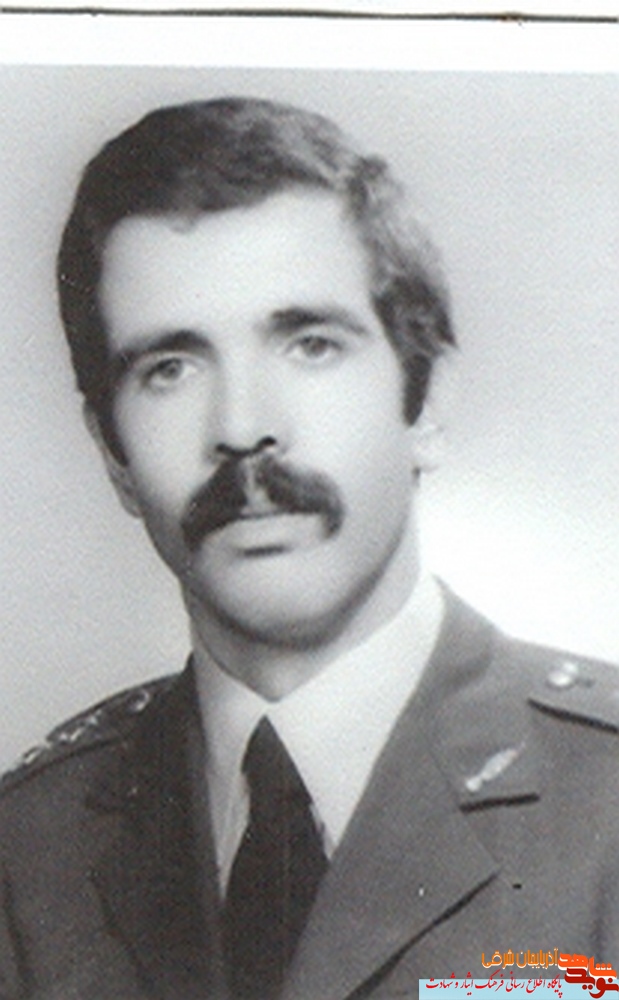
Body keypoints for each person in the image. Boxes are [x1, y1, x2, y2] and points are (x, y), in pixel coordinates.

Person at [1, 96, 619, 1000]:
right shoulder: (26, 854)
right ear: (114, 457)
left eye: (310, 346)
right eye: (169, 368)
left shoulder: (605, 798)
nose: (242, 427)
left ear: (426, 401)